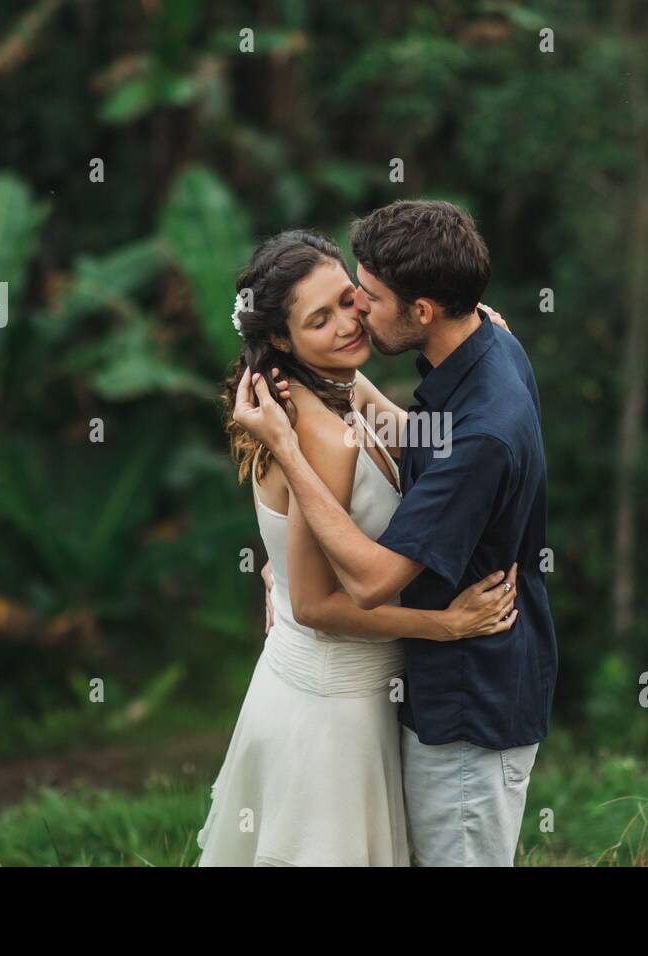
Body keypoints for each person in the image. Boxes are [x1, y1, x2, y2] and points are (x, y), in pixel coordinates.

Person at [232, 201, 557, 866]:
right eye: (334, 305)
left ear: (426, 310)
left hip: (468, 702)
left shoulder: (480, 433)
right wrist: (283, 562)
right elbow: (398, 438)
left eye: (367, 298)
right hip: (404, 695)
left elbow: (373, 580)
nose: (358, 310)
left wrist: (289, 452)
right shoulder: (487, 344)